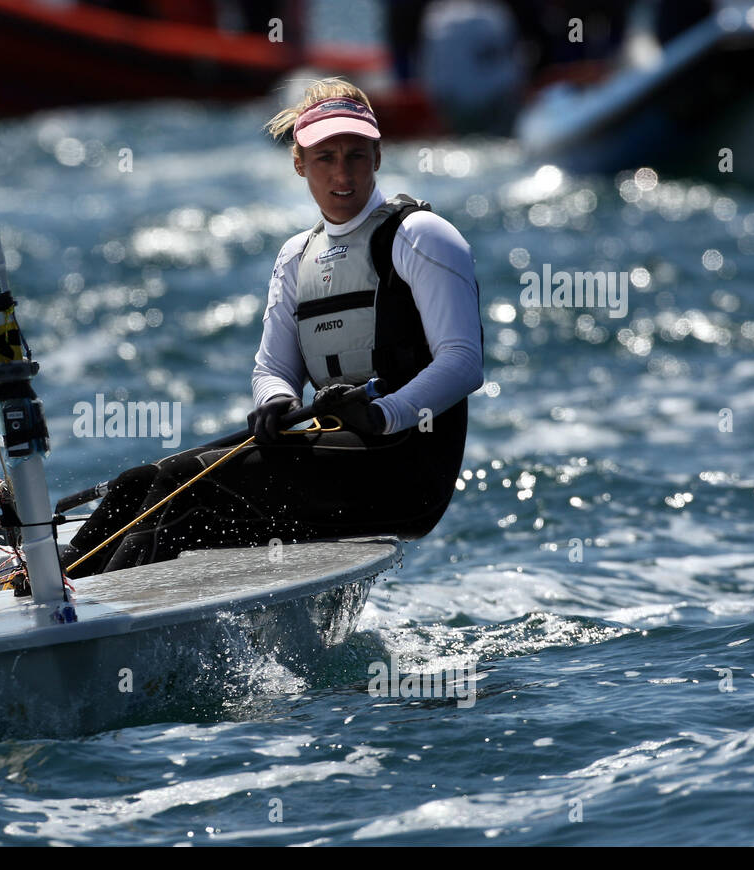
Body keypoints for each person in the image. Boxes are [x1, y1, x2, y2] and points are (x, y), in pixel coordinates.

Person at [62, 78, 482, 579]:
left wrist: (383, 414)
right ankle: (46, 592)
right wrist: (277, 400)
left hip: (403, 469)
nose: (342, 173)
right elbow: (272, 368)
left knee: (183, 485)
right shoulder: (296, 256)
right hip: (336, 457)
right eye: (325, 158)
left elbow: (463, 363)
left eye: (355, 155)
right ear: (300, 165)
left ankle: (95, 622)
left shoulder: (420, 236)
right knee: (140, 483)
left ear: (377, 155)